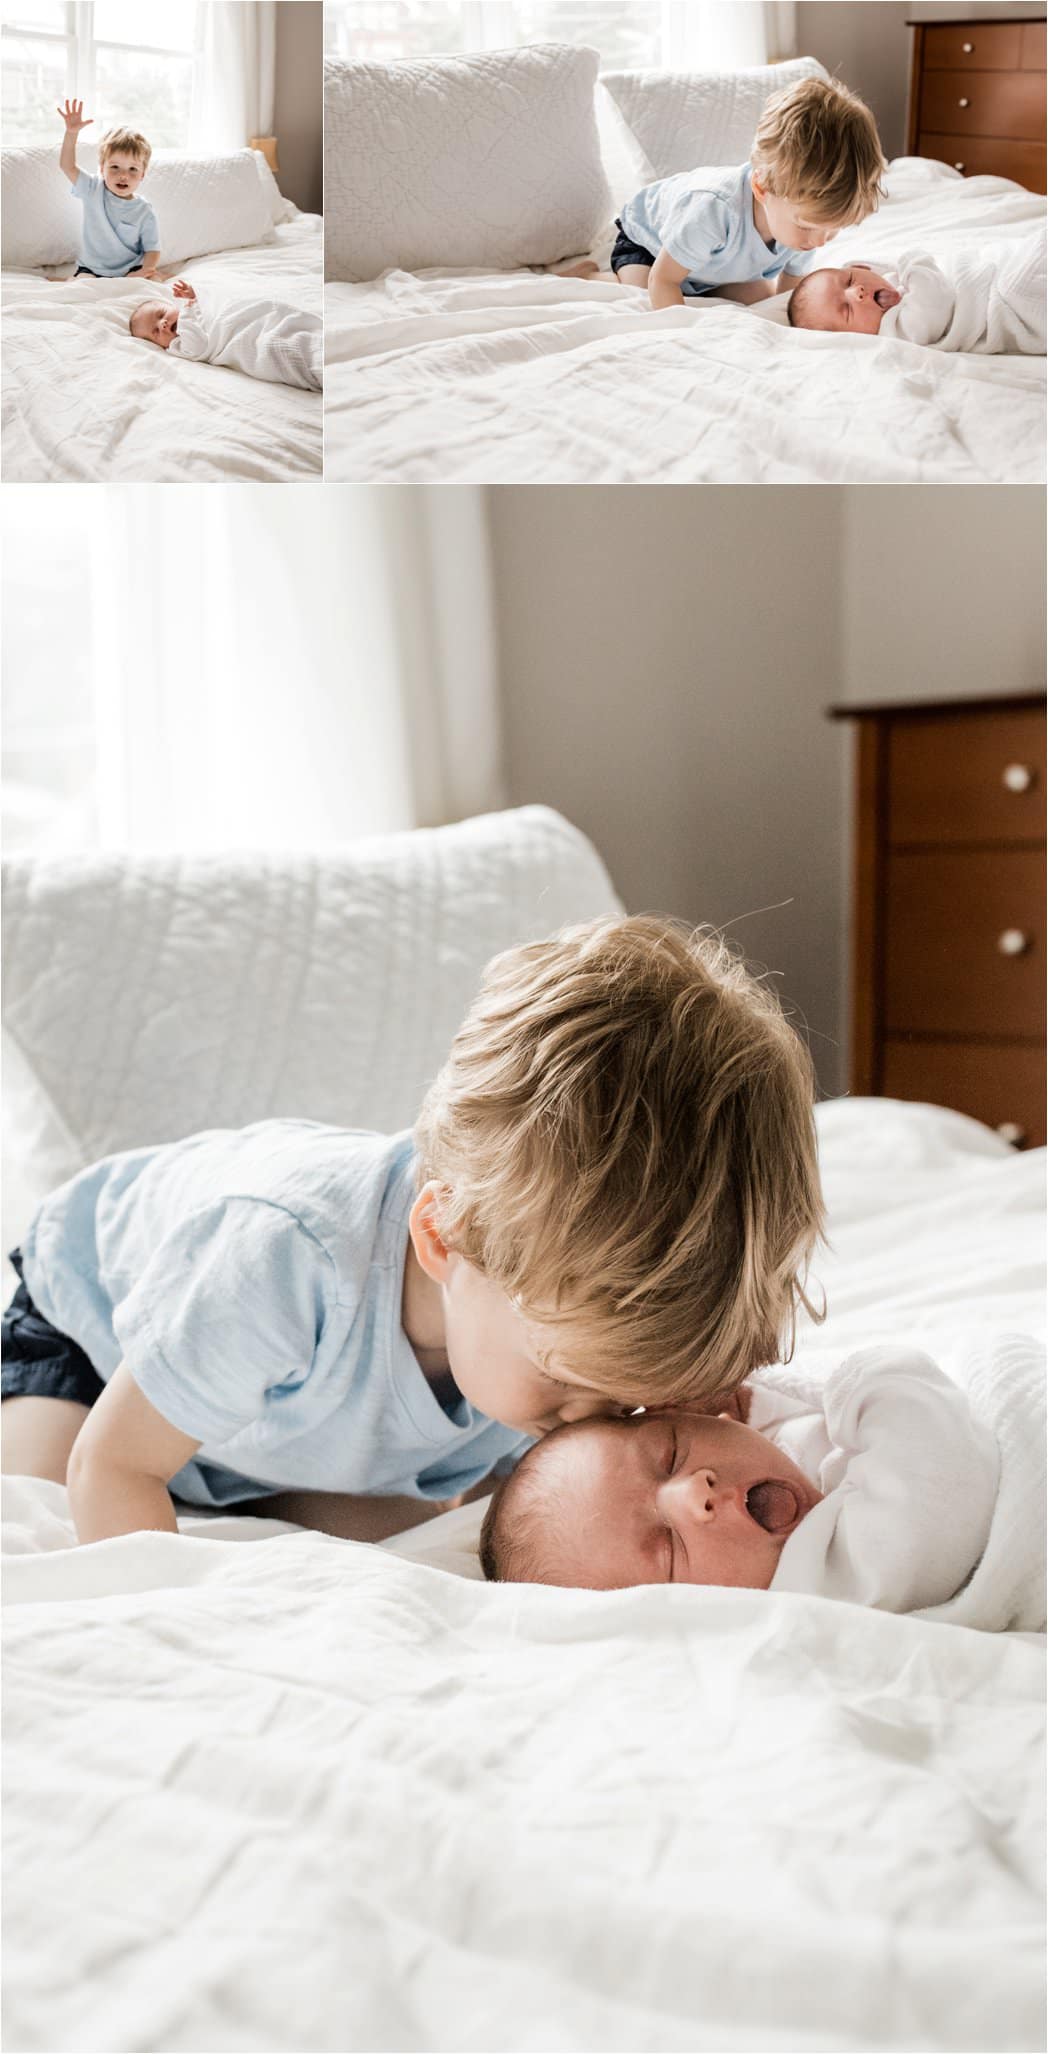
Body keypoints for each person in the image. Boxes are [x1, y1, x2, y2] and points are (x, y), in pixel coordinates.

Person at [2, 916, 824, 1546]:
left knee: (411, 1543)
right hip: (91, 1341)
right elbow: (113, 1465)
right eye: (569, 1384)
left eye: (626, 1396)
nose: (593, 1423)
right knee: (39, 1510)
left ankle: (231, 1478)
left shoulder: (549, 1325)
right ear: (444, 1242)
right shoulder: (285, 1258)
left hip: (277, 1431)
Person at [480, 1347, 999, 1615]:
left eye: (672, 1451)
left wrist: (753, 1398)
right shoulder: (824, 1587)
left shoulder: (773, 1454)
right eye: (666, 1548)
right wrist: (865, 1378)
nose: (695, 1491)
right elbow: (934, 1466)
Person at [611, 76, 883, 310]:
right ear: (762, 188)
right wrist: (685, 333)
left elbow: (789, 297)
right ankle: (592, 274)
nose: (821, 241)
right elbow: (664, 280)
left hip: (711, 266)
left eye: (833, 229)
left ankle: (701, 284)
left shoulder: (806, 229)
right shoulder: (712, 209)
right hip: (649, 247)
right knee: (645, 293)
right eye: (808, 227)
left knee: (758, 298)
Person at [786, 239, 1047, 355]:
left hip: (988, 274)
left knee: (1017, 254)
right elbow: (935, 302)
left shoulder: (888, 287)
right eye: (846, 310)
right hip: (994, 306)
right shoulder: (895, 333)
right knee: (1022, 281)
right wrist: (912, 260)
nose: (857, 291)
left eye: (850, 280)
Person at [129, 279, 323, 391]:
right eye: (155, 331)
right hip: (241, 342)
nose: (162, 323)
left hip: (249, 322)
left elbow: (222, 306)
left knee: (278, 318)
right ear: (160, 345)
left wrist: (192, 299)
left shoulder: (195, 310)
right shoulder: (178, 346)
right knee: (279, 347)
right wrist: (188, 307)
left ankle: (317, 339)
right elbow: (198, 345)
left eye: (161, 315)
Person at [57, 101, 160, 281]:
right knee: (82, 288)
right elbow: (67, 166)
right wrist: (71, 133)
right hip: (91, 268)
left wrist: (147, 270)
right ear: (102, 168)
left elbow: (152, 249)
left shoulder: (144, 210)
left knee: (152, 283)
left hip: (129, 269)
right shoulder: (92, 189)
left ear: (142, 174)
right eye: (115, 167)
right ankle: (70, 281)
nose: (123, 176)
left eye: (132, 169)